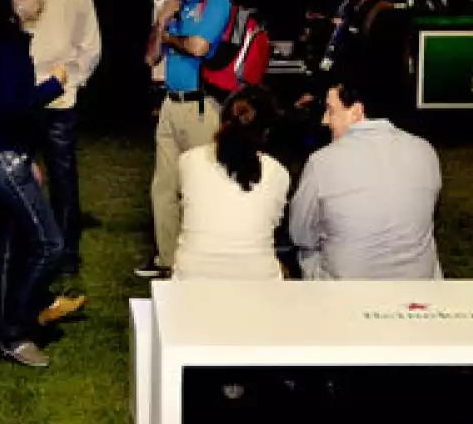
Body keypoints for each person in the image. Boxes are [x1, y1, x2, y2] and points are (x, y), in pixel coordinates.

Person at [0, 0, 84, 367]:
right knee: (49, 244)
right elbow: (12, 105)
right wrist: (53, 84)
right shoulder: (4, 42)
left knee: (3, 251)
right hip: (2, 159)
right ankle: (16, 329)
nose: (41, 1)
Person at [138, 0, 233, 279]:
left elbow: (199, 47)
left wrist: (172, 36)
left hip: (200, 107)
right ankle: (168, 260)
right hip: (170, 104)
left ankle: (204, 259)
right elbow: (150, 59)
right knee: (163, 188)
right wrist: (161, 24)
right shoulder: (172, 7)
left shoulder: (215, 2)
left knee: (201, 185)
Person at [288, 73, 442, 280]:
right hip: (417, 285)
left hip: (346, 293)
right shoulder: (425, 150)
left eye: (331, 110)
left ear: (357, 112)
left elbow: (301, 234)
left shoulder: (322, 161)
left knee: (307, 253)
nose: (325, 120)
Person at [21, 0, 101, 281]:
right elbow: (91, 46)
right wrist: (74, 82)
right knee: (62, 177)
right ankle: (66, 253)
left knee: (17, 173)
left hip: (23, 95)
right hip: (59, 97)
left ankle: (27, 246)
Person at [173, 84, 289, 281]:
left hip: (191, 279)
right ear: (266, 130)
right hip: (258, 280)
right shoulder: (278, 173)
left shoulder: (189, 161)